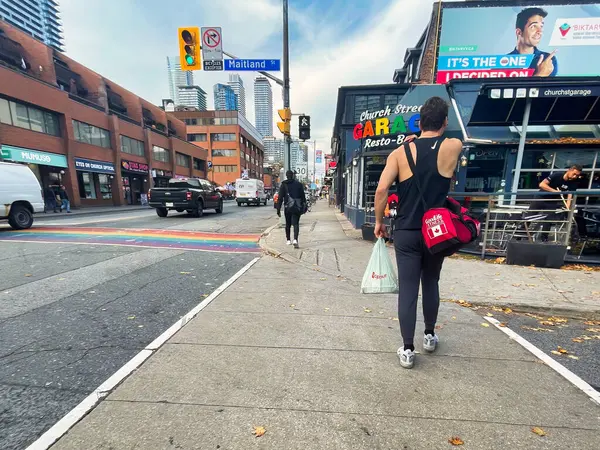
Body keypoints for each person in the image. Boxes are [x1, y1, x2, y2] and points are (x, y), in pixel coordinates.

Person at [374, 96, 463, 369]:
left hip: (407, 231)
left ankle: (408, 349)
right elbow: (452, 141)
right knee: (431, 282)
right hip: (436, 231)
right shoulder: (453, 145)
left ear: (420, 121)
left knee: (408, 289)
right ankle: (429, 335)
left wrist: (379, 222)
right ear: (445, 122)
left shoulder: (399, 153)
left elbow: (381, 190)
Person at [529, 165, 582, 242]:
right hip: (540, 198)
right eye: (574, 174)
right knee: (529, 216)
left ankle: (544, 239)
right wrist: (555, 191)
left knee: (548, 220)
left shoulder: (574, 182)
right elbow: (542, 184)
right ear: (569, 170)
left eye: (577, 175)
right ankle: (519, 236)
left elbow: (570, 196)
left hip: (552, 201)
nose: (575, 176)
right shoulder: (557, 175)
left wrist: (567, 207)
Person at [508, 7, 557, 77]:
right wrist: (540, 74)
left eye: (541, 26)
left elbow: (547, 88)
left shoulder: (547, 60)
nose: (540, 32)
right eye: (533, 26)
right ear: (519, 32)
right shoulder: (503, 62)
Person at [276, 170, 307, 248]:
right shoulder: (299, 184)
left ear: (286, 176)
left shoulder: (284, 185)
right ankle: (295, 239)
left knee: (288, 224)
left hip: (288, 207)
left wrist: (278, 209)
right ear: (293, 175)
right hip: (296, 206)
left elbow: (280, 198)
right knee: (296, 224)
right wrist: (304, 207)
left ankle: (288, 240)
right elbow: (303, 197)